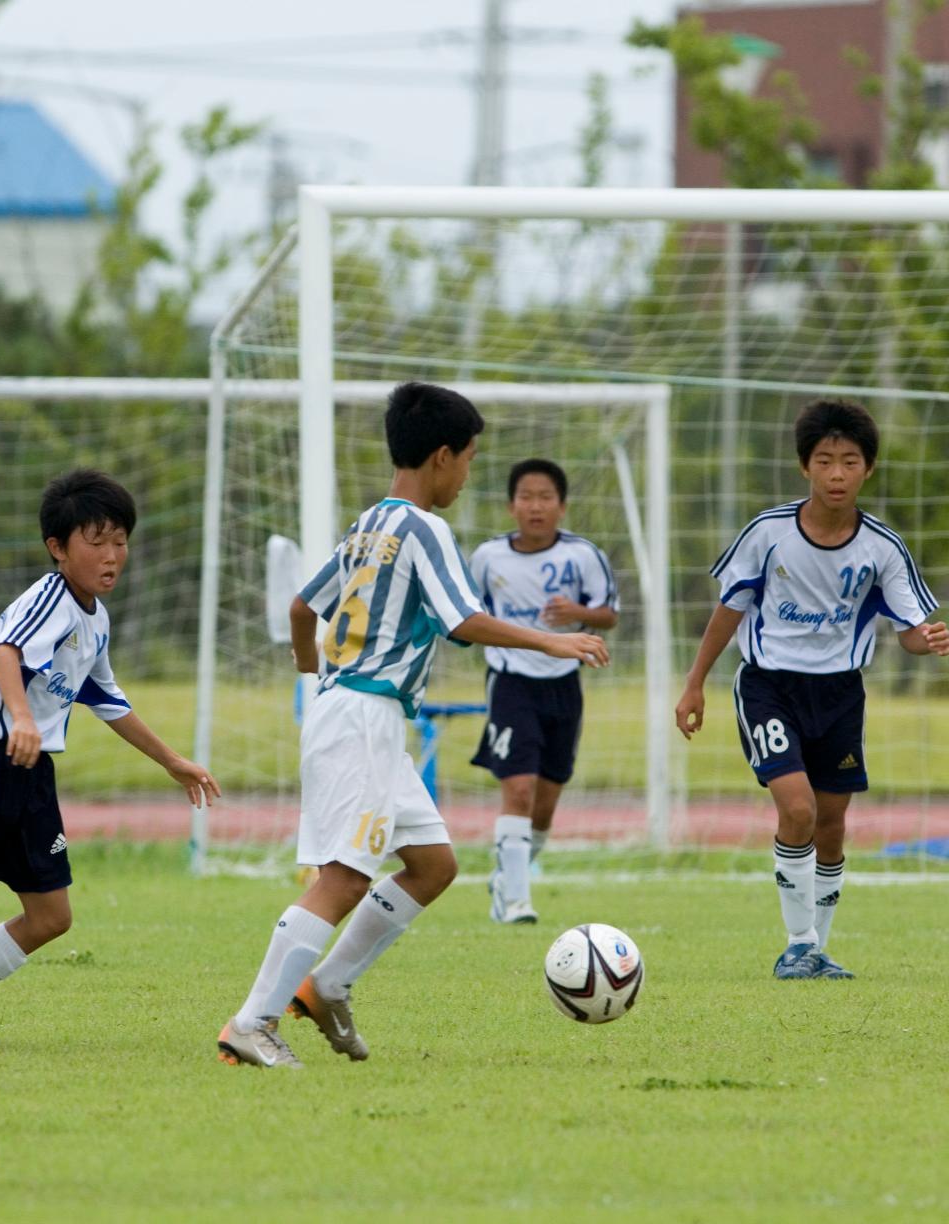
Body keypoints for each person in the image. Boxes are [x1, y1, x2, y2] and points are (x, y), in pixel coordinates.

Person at [216, 383, 609, 1069]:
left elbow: (303, 612)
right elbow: (462, 621)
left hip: (360, 712)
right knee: (342, 878)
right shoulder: (426, 528)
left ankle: (330, 984)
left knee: (433, 866)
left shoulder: (369, 523)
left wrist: (315, 682)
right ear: (441, 456)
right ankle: (252, 1022)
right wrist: (555, 641)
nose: (468, 474)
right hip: (364, 717)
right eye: (469, 460)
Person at [0, 469, 220, 1047]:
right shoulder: (50, 600)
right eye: (97, 542)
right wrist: (24, 717)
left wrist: (172, 761)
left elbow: (107, 700)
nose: (113, 556)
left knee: (51, 918)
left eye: (121, 541)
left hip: (30, 776)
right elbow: (7, 654)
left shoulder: (95, 620)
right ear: (57, 548)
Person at [675, 399, 948, 979]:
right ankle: (798, 942)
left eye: (850, 461)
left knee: (831, 822)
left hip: (841, 694)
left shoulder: (883, 548)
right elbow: (729, 610)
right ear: (805, 467)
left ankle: (816, 950)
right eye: (825, 461)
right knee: (795, 808)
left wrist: (934, 637)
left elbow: (911, 635)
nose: (837, 474)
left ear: (867, 469)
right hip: (769, 685)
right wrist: (695, 683)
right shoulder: (768, 532)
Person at [469, 459, 618, 924]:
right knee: (518, 786)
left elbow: (608, 613)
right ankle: (516, 900)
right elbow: (466, 616)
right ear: (512, 506)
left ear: (562, 506)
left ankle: (505, 877)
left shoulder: (583, 555)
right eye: (526, 497)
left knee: (546, 802)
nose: (535, 506)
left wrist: (577, 612)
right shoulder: (488, 557)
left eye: (545, 497)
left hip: (563, 684)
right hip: (510, 681)